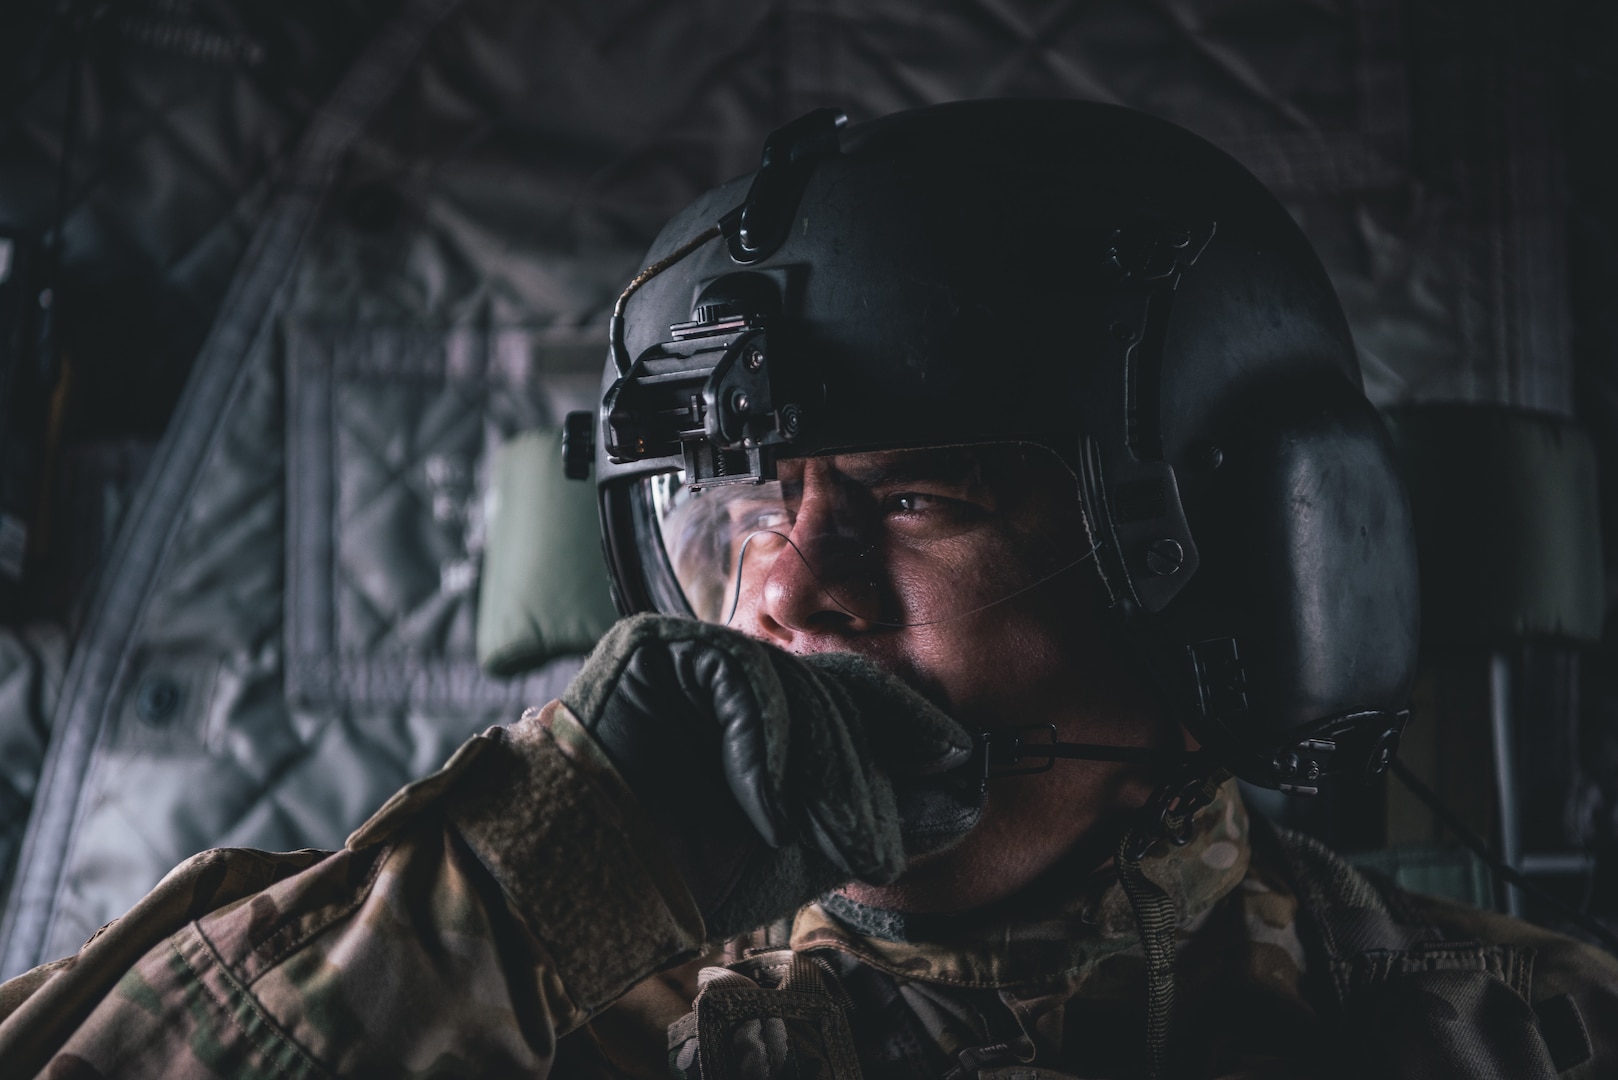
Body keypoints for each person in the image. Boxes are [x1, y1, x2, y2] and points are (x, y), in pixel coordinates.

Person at [1, 100, 1615, 1079]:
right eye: (739, 509)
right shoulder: (447, 986)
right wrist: (516, 892)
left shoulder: (1522, 1036)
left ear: (1248, 584)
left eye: (915, 501)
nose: (785, 593)